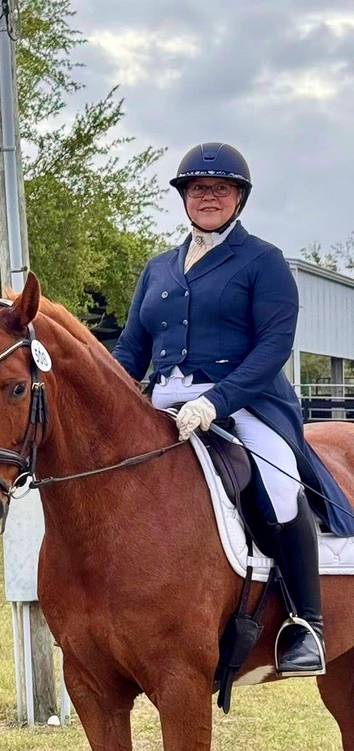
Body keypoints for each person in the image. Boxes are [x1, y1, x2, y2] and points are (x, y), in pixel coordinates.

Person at [112, 142, 354, 677]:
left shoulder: (263, 261)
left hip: (246, 405)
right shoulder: (159, 268)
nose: (209, 197)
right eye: (199, 189)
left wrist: (215, 401)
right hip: (163, 404)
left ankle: (306, 624)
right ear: (184, 197)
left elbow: (273, 347)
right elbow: (131, 349)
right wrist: (107, 394)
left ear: (239, 198)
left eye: (220, 189)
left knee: (281, 486)